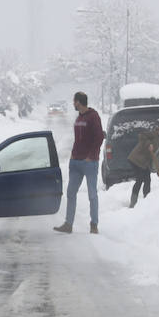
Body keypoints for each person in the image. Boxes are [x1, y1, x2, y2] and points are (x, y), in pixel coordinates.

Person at [54, 91, 105, 235]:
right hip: (76, 162)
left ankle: (94, 224)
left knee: (92, 194)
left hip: (89, 163)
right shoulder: (79, 118)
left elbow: (99, 137)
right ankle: (68, 224)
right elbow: (78, 139)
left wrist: (91, 156)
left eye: (74, 101)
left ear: (79, 102)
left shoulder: (93, 116)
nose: (73, 104)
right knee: (70, 192)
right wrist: (72, 154)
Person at [127, 121, 159, 208]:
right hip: (137, 159)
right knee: (140, 180)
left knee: (147, 180)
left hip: (145, 163)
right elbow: (142, 135)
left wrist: (157, 169)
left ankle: (146, 201)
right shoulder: (155, 134)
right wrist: (149, 144)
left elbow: (158, 157)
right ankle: (133, 204)